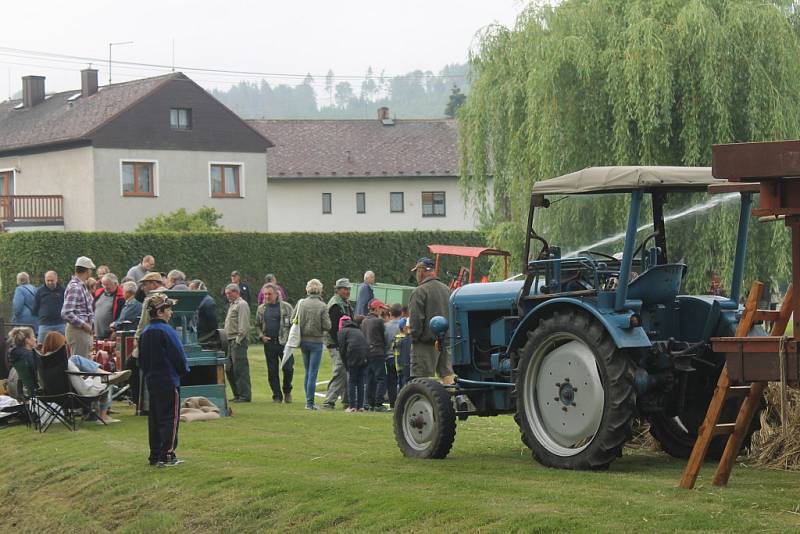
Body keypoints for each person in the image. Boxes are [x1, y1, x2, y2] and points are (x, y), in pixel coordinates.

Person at [139, 293, 190, 467]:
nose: (171, 312)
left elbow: (142, 360)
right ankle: (167, 455)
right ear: (160, 311)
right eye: (168, 309)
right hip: (169, 380)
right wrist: (183, 371)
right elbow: (178, 356)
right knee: (170, 418)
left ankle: (155, 455)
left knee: (155, 419)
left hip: (152, 381)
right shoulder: (167, 330)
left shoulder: (146, 331)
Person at [408, 257, 455, 384]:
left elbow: (416, 321)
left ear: (421, 271)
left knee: (421, 380)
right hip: (445, 341)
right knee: (447, 375)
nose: (417, 275)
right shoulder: (447, 290)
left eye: (417, 271)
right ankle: (456, 400)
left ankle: (421, 403)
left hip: (425, 344)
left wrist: (414, 337)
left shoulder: (419, 291)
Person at [293, 278, 331, 410]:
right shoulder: (322, 306)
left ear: (307, 289)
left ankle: (308, 400)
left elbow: (293, 318)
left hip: (303, 340)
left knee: (307, 371)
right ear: (320, 290)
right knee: (313, 372)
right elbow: (327, 325)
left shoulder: (301, 303)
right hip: (316, 341)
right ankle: (309, 403)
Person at [255, 283, 294, 403]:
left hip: (284, 343)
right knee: (272, 371)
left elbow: (294, 324)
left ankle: (287, 390)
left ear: (276, 294)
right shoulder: (261, 309)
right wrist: (261, 336)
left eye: (269, 294)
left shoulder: (286, 307)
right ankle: (277, 395)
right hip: (270, 343)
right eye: (265, 294)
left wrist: (291, 339)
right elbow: (257, 325)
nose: (266, 296)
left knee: (288, 369)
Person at [323, 278, 354, 410]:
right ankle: (329, 400)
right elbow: (333, 328)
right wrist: (342, 344)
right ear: (338, 290)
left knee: (348, 370)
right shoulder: (335, 305)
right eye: (345, 289)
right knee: (340, 370)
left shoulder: (344, 303)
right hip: (336, 343)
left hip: (344, 342)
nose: (347, 291)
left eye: (348, 289)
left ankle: (347, 400)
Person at [61, 256, 96, 358]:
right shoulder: (76, 287)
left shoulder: (80, 286)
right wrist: (84, 325)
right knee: (81, 366)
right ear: (87, 270)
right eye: (90, 270)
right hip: (78, 331)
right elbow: (66, 313)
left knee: (85, 364)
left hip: (81, 331)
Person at [224, 283, 251, 403]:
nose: (227, 296)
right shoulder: (232, 305)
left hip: (237, 340)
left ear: (236, 292)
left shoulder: (242, 304)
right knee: (229, 369)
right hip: (229, 340)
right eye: (226, 294)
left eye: (229, 293)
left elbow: (244, 324)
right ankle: (237, 394)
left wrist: (238, 340)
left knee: (240, 369)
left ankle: (244, 395)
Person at [337, 315, 369, 412]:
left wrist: (346, 365)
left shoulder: (342, 331)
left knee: (352, 381)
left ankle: (352, 406)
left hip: (353, 355)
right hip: (364, 354)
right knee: (360, 381)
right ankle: (360, 406)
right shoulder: (358, 330)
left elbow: (342, 350)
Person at [361, 298, 388, 412]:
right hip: (378, 351)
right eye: (381, 308)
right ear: (376, 308)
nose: (382, 311)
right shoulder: (378, 321)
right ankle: (378, 403)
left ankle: (369, 402)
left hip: (367, 352)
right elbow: (384, 336)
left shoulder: (364, 321)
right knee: (381, 378)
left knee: (370, 378)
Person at [33, 271, 66, 344]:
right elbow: (36, 307)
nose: (50, 282)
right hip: (45, 324)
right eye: (48, 280)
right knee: (40, 345)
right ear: (45, 280)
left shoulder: (63, 290)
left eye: (52, 280)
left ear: (56, 279)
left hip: (60, 323)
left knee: (63, 345)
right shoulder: (40, 291)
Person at [93, 273, 125, 339]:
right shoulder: (99, 293)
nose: (105, 287)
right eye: (103, 284)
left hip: (110, 335)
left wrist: (116, 331)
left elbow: (122, 316)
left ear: (115, 284)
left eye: (107, 284)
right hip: (96, 334)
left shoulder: (121, 297)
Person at [383, 303, 402, 408]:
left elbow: (384, 341)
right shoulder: (404, 325)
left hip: (389, 356)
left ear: (390, 313)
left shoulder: (386, 326)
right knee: (402, 380)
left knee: (391, 381)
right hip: (401, 357)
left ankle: (393, 403)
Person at [393, 318, 412, 389]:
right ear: (404, 328)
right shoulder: (404, 340)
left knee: (401, 384)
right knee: (405, 385)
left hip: (399, 365)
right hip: (405, 365)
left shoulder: (396, 338)